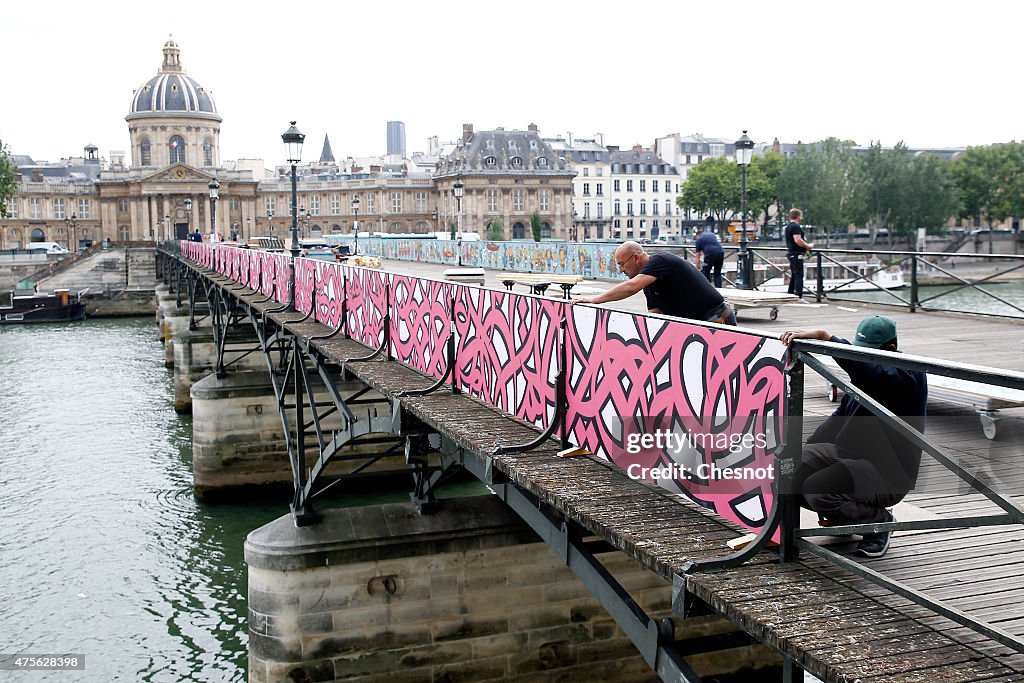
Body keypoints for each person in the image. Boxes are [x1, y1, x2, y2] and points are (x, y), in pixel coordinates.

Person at [779, 316, 927, 558]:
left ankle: (879, 523)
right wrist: (805, 452)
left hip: (887, 472)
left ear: (890, 349)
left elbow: (865, 369)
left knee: (817, 489)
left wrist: (825, 337)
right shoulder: (868, 375)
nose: (861, 358)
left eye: (867, 354)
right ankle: (839, 517)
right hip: (850, 456)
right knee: (788, 466)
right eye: (859, 352)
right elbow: (839, 416)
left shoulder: (909, 375)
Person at [573, 241, 736, 325]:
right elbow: (656, 313)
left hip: (715, 317)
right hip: (699, 321)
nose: (621, 270)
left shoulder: (660, 260)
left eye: (622, 264)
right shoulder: (649, 281)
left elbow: (631, 288)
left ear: (636, 258)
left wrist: (595, 299)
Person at [784, 208, 813, 298]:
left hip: (791, 253)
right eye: (801, 216)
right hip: (796, 253)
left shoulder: (788, 226)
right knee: (799, 275)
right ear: (798, 216)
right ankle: (798, 295)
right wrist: (807, 246)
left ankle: (791, 293)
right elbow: (797, 240)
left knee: (794, 274)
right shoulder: (795, 227)